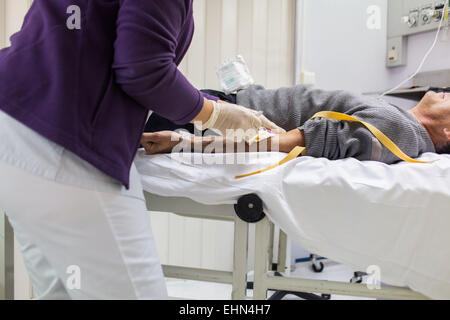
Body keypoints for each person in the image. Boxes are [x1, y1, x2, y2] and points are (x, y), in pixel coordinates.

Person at [0, 1, 281, 300]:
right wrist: (214, 115)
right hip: (63, 144)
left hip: (14, 124)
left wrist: (209, 107)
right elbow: (143, 70)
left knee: (60, 293)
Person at [142, 85, 450, 161]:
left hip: (214, 118)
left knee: (119, 105)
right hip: (223, 108)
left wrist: (186, 143)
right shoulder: (402, 126)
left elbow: (290, 143)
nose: (444, 92)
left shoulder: (399, 130)